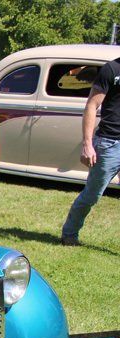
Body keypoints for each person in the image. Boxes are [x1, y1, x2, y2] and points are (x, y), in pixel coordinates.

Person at [61, 57, 120, 246]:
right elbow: (92, 106)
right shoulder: (112, 69)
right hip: (109, 142)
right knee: (92, 195)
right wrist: (87, 144)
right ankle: (69, 234)